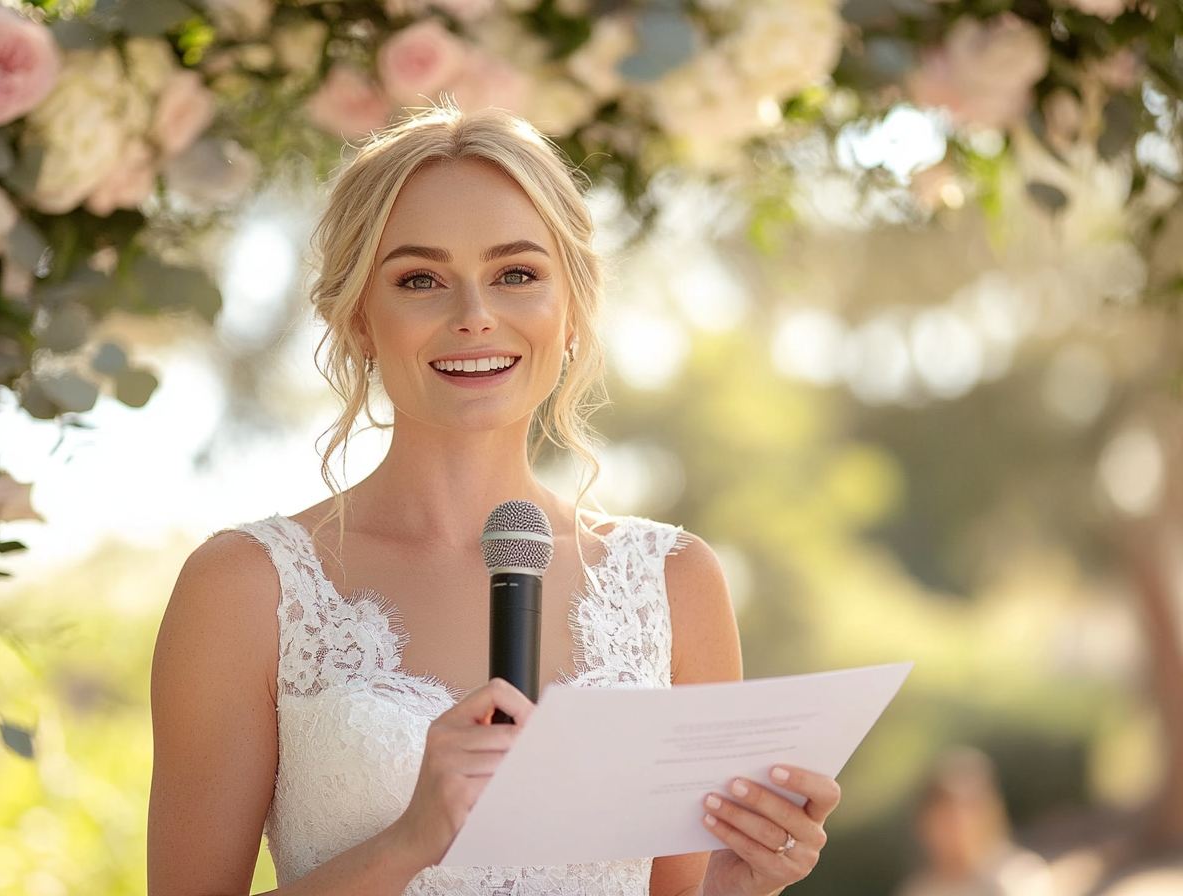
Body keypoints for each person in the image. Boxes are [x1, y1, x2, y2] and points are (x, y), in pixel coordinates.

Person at [147, 104, 842, 896]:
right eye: (420, 279)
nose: (474, 316)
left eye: (516, 274)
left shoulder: (675, 583)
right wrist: (409, 842)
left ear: (571, 308)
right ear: (361, 320)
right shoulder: (245, 588)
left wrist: (740, 884)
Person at [894, 747, 1054, 896]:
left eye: (963, 815)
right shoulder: (918, 889)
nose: (956, 828)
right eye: (945, 819)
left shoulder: (1018, 877)